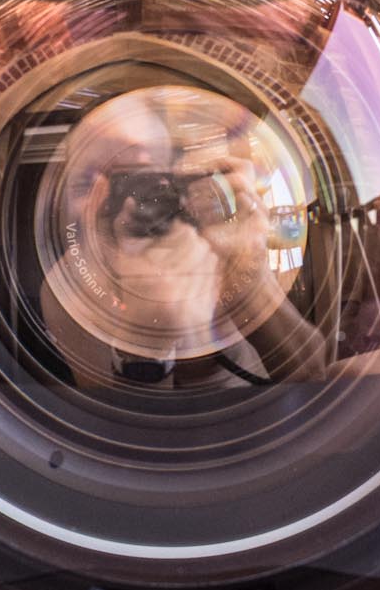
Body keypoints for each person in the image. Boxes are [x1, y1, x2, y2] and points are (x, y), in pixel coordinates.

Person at [38, 86, 329, 391]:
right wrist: (148, 343)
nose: (113, 201)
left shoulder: (215, 243)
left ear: (175, 181)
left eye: (136, 177)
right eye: (85, 183)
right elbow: (124, 429)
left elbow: (309, 376)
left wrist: (246, 274)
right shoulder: (69, 288)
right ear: (63, 202)